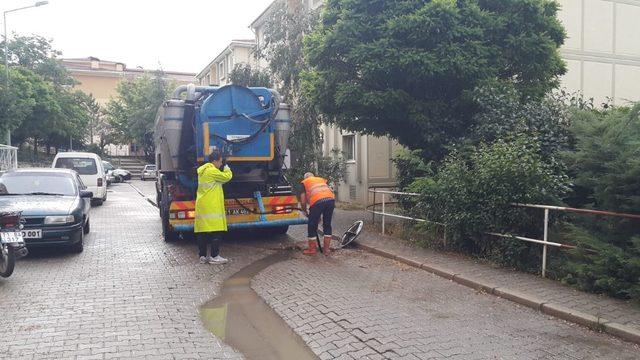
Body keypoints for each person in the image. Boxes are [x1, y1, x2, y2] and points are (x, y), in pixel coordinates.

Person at [194, 149, 233, 264]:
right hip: (212, 205)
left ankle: (202, 256)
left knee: (202, 232)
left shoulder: (203, 171)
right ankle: (214, 256)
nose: (220, 164)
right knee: (216, 231)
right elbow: (227, 176)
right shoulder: (212, 171)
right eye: (220, 162)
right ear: (214, 161)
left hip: (203, 205)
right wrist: (226, 166)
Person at [300, 172, 335, 256]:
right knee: (327, 224)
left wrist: (304, 211)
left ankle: (312, 249)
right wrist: (317, 216)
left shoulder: (304, 182)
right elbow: (326, 193)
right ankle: (326, 250)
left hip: (317, 202)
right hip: (331, 200)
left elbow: (303, 201)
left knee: (312, 225)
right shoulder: (320, 180)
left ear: (305, 178)